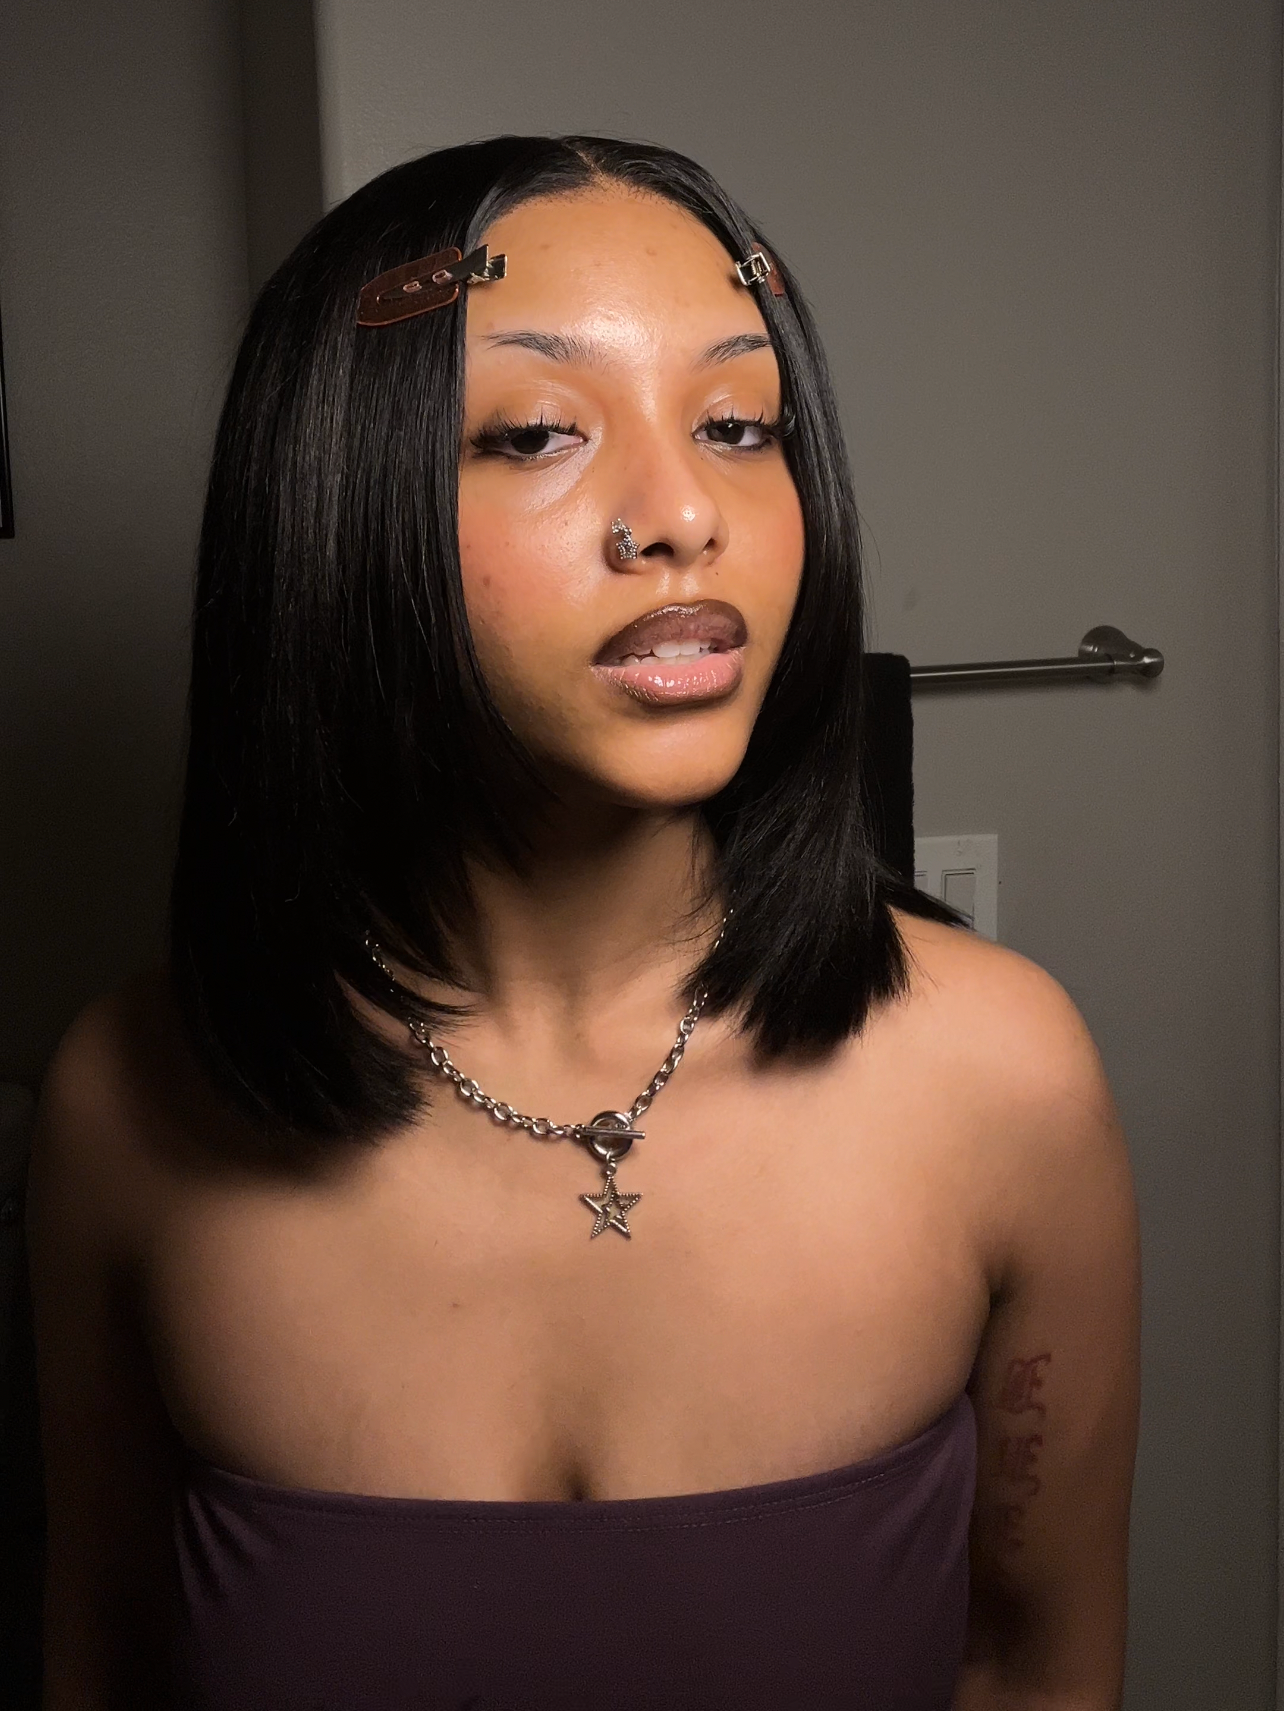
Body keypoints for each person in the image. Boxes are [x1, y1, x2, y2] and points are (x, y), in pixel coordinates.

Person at [27, 135, 1140, 1710]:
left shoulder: (1005, 1078)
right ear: (338, 502)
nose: (684, 512)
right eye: (539, 430)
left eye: (740, 424)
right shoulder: (127, 1107)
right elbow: (104, 1655)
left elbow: (1036, 1661)